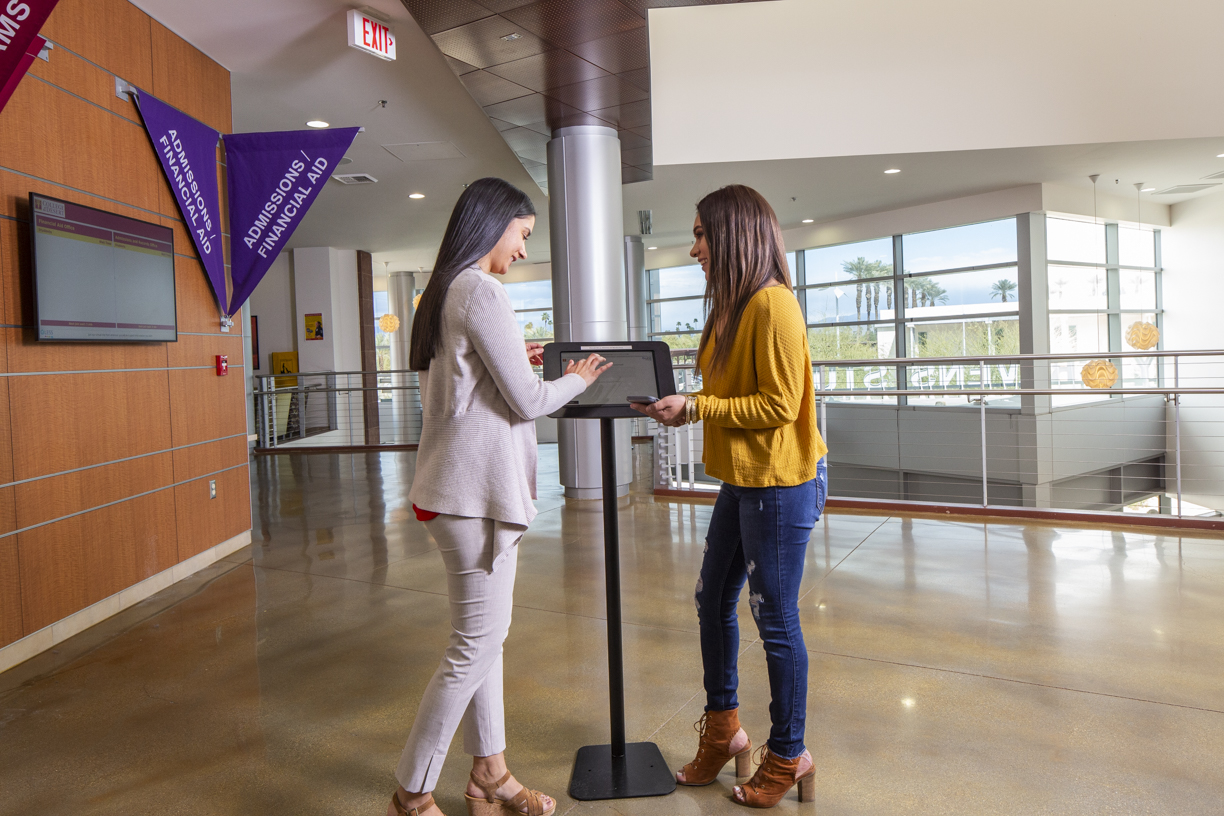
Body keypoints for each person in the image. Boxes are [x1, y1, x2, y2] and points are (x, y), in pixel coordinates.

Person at [388, 178, 612, 816]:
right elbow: (529, 401)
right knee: (473, 646)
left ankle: (491, 772)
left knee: (485, 637)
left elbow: (469, 387)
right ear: (493, 224)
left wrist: (519, 356)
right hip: (473, 497)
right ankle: (412, 793)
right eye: (522, 234)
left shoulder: (444, 290)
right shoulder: (480, 290)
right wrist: (574, 378)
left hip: (449, 489)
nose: (521, 249)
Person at [633, 185, 828, 809]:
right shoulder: (732, 308)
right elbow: (726, 390)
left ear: (733, 236)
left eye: (701, 236)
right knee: (711, 599)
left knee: (775, 620)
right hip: (744, 479)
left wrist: (695, 407)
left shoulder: (773, 306)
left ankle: (789, 754)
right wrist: (683, 400)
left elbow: (776, 404)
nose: (694, 250)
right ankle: (724, 731)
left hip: (780, 483)